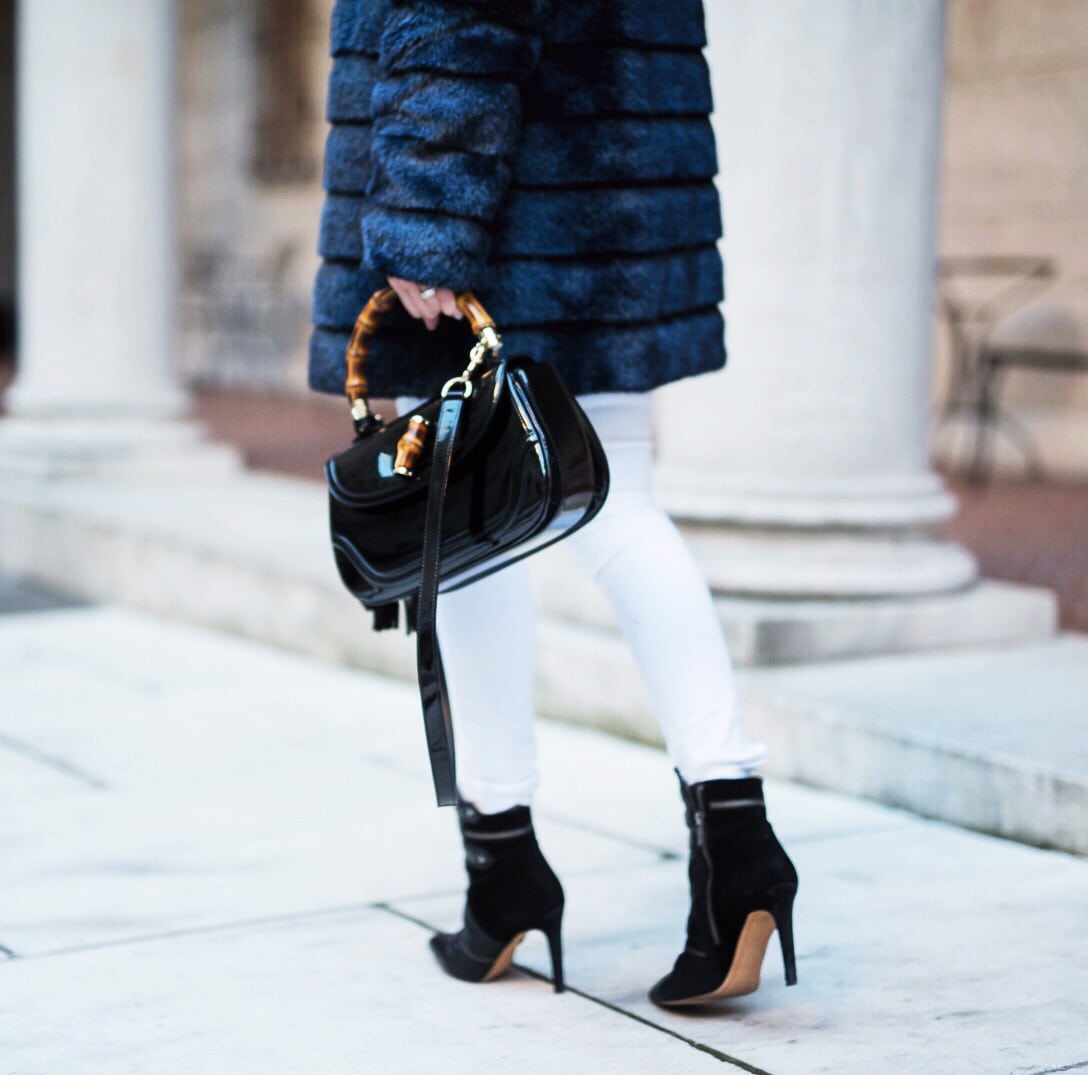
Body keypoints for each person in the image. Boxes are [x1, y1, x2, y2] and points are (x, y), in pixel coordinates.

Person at [308, 0, 799, 1007]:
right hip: (599, 193)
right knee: (622, 506)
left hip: (499, 209)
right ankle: (736, 841)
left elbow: (454, 13)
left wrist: (426, 218)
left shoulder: (448, 215)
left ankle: (503, 870)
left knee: (461, 527)